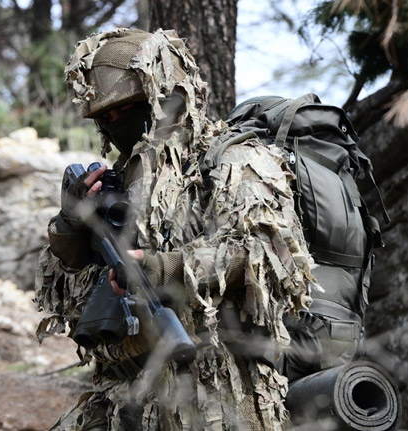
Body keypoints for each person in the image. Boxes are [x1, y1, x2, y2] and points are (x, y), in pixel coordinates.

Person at [35, 28, 317, 431]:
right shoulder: (115, 183)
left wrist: (162, 268)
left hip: (217, 393)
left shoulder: (235, 160)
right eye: (105, 116)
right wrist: (69, 228)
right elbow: (63, 302)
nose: (115, 123)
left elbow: (264, 250)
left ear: (165, 94)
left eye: (126, 108)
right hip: (122, 395)